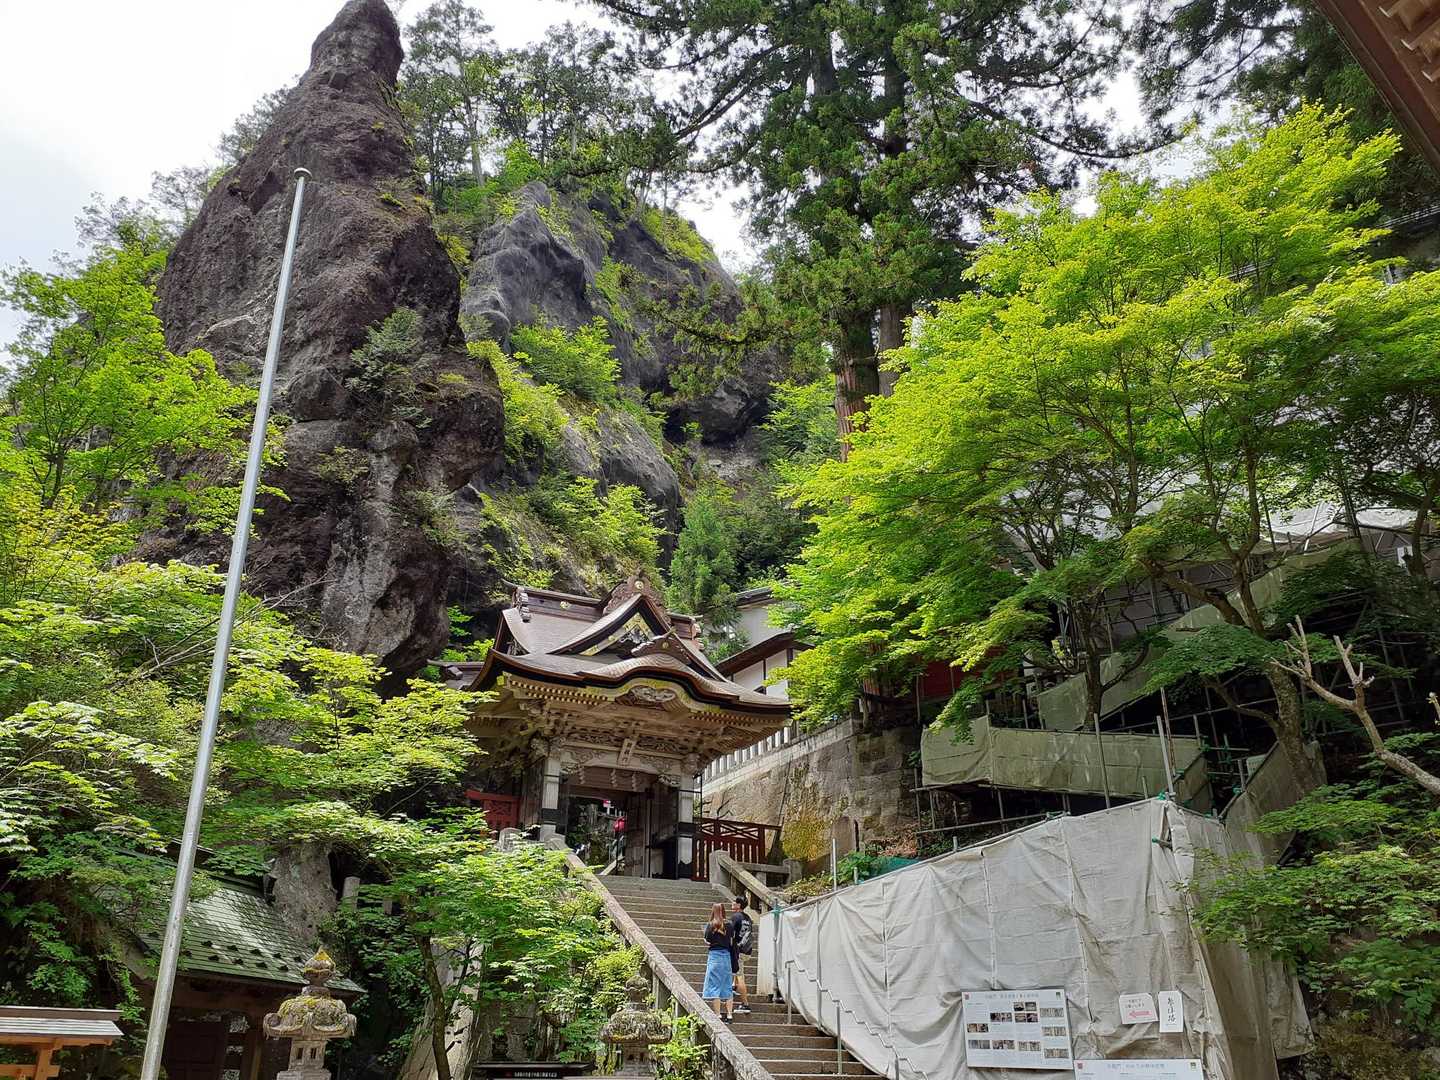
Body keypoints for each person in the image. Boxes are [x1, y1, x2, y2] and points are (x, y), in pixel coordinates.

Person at [702, 902, 735, 1022]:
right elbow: (731, 939)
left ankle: (718, 1014)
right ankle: (730, 1015)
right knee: (727, 985)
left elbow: (707, 940)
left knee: (714, 985)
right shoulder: (729, 925)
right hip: (726, 957)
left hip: (714, 956)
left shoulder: (710, 925)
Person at [728, 896, 754, 1014]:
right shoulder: (748, 918)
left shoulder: (735, 917)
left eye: (734, 902)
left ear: (738, 905)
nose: (732, 903)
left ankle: (745, 1004)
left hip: (738, 950)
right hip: (746, 949)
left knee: (740, 976)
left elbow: (729, 933)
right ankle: (734, 985)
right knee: (737, 970)